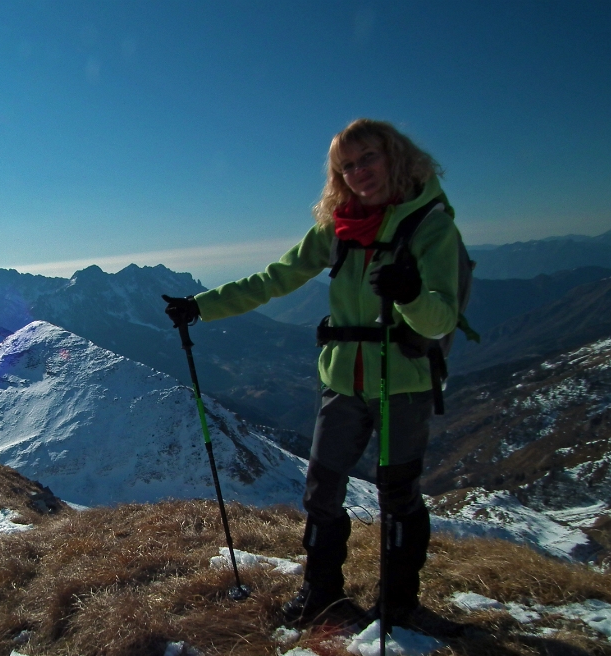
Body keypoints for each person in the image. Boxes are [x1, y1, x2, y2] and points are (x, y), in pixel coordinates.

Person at [164, 118, 460, 629]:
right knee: (321, 491)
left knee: (398, 495)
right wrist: (201, 306)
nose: (359, 172)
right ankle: (321, 594)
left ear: (395, 156)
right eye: (347, 166)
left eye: (368, 158)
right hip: (343, 381)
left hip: (404, 382)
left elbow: (441, 317)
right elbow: (273, 279)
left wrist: (410, 292)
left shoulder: (431, 226)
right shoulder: (337, 227)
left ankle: (399, 606)